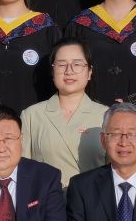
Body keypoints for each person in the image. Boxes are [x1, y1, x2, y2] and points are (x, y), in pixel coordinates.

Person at [23, 39, 110, 184]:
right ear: (52, 72)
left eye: (77, 64)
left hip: (92, 196)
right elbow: (24, 170)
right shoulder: (31, 115)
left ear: (89, 72)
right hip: (47, 197)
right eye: (62, 64)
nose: (69, 71)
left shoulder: (106, 115)